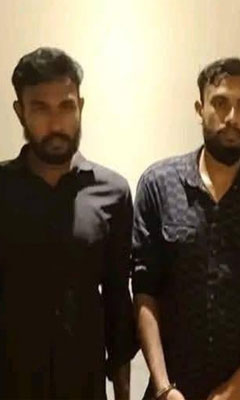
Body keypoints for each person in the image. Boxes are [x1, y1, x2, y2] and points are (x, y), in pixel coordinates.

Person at [132, 57, 240, 400]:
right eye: (220, 103)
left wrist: (239, 387)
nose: (232, 117)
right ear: (200, 109)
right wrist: (163, 387)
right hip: (172, 388)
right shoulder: (159, 184)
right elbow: (144, 291)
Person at [0, 47, 137, 399]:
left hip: (83, 384)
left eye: (66, 106)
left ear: (81, 106)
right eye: (40, 108)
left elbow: (118, 300)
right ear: (20, 111)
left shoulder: (113, 192)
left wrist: (123, 391)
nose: (56, 123)